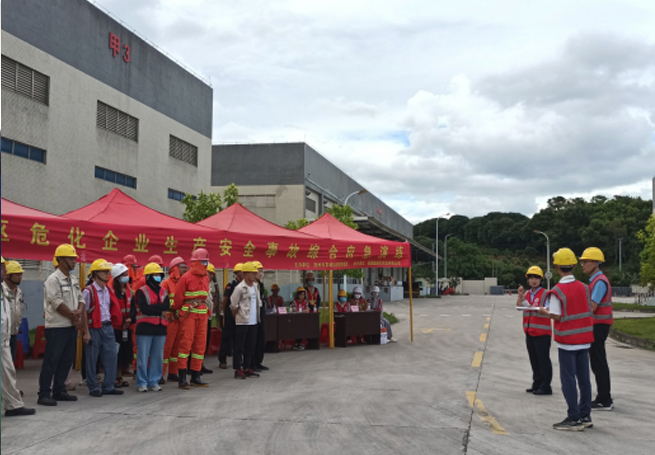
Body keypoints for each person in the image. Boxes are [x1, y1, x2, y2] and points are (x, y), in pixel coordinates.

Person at [538, 248, 594, 431]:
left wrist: (544, 312)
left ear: (556, 267)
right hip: (584, 339)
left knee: (568, 380)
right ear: (574, 266)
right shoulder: (585, 288)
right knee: (584, 379)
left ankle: (573, 417)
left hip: (567, 342)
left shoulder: (557, 291)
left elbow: (557, 315)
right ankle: (585, 415)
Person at [38, 244, 85, 406]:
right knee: (52, 360)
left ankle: (59, 390)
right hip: (57, 327)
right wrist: (74, 317)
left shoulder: (73, 279)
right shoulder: (53, 280)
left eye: (74, 258)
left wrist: (79, 311)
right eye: (71, 259)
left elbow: (81, 299)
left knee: (66, 360)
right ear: (61, 260)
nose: (74, 261)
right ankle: (44, 393)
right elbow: (56, 302)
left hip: (70, 327)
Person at [83, 259, 124, 398]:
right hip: (94, 328)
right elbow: (84, 312)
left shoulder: (108, 290)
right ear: (95, 274)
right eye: (104, 271)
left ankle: (108, 386)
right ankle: (93, 387)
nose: (107, 274)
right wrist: (86, 332)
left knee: (111, 357)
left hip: (108, 326)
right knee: (92, 359)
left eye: (108, 271)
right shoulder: (88, 291)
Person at [580, 247, 614, 411]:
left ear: (595, 263)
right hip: (598, 325)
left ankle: (604, 399)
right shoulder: (595, 280)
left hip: (598, 326)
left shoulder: (599, 282)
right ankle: (603, 396)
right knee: (597, 361)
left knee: (598, 362)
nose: (582, 265)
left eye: (585, 261)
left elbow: (592, 306)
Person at [1, 257, 36, 416]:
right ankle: (13, 404)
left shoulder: (6, 291)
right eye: (2, 268)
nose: (4, 271)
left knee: (8, 372)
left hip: (6, 337)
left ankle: (13, 404)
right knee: (7, 372)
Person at [173, 248, 210, 389]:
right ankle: (182, 378)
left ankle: (196, 376)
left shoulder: (205, 277)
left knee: (200, 346)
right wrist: (179, 311)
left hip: (202, 315)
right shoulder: (186, 277)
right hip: (189, 315)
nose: (205, 265)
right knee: (185, 345)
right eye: (203, 262)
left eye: (206, 262)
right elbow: (178, 299)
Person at [516, 266, 552, 395]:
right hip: (529, 331)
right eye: (531, 278)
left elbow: (549, 309)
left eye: (536, 277)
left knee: (543, 360)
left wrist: (540, 309)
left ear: (541, 279)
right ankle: (537, 383)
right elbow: (519, 307)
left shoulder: (546, 293)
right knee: (534, 359)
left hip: (542, 332)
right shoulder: (526, 294)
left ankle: (546, 385)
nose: (533, 280)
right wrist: (520, 296)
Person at [134, 263, 170, 392]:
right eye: (155, 275)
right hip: (145, 327)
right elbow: (144, 308)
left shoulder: (164, 291)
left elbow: (167, 306)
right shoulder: (142, 291)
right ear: (148, 277)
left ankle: (154, 381)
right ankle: (142, 383)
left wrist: (154, 308)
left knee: (157, 357)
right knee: (143, 357)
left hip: (160, 328)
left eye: (159, 275)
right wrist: (160, 310)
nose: (158, 277)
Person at [230, 262, 262, 379]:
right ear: (246, 274)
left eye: (255, 273)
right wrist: (238, 318)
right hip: (242, 321)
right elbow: (233, 306)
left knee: (250, 346)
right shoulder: (239, 288)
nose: (255, 275)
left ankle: (247, 367)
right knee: (239, 347)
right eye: (252, 273)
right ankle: (238, 369)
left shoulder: (255, 286)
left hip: (253, 321)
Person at [161, 256, 187, 381]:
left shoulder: (184, 283)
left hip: (180, 319)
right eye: (183, 267)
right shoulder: (166, 284)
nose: (185, 269)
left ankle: (173, 372)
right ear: (175, 268)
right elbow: (162, 302)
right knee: (166, 348)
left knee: (176, 348)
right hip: (169, 319)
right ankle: (160, 374)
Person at [110, 263, 134, 388]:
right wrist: (121, 322)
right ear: (117, 277)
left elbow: (133, 307)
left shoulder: (129, 291)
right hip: (115, 327)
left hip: (127, 327)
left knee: (124, 354)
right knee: (115, 354)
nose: (126, 276)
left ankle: (119, 376)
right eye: (123, 274)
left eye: (126, 274)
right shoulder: (111, 291)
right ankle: (113, 378)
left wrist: (130, 319)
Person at [218, 263, 243, 370]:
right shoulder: (231, 285)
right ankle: (222, 359)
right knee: (227, 337)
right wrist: (224, 313)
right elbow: (225, 299)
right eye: (242, 272)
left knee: (239, 339)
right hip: (230, 316)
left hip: (241, 315)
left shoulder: (245, 285)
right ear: (237, 273)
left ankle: (238, 361)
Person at [2, 261, 26, 361]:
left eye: (21, 274)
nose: (20, 277)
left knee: (11, 362)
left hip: (14, 333)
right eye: (17, 274)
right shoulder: (3, 290)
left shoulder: (19, 292)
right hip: (3, 334)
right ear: (8, 275)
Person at [202, 262, 219, 374]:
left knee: (205, 342)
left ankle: (200, 364)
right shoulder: (201, 285)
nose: (211, 276)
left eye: (212, 274)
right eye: (210, 273)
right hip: (201, 317)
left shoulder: (209, 286)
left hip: (207, 317)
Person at [252, 260, 268, 372]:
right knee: (253, 340)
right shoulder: (248, 285)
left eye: (262, 271)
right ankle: (251, 363)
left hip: (260, 314)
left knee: (261, 339)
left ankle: (258, 361)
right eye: (259, 271)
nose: (260, 274)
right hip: (251, 316)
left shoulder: (260, 285)